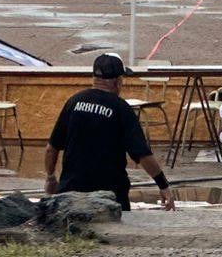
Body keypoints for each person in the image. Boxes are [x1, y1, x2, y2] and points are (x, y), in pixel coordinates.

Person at [43, 54, 174, 211]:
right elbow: (142, 155)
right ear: (118, 81)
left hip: (71, 197)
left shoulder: (73, 102)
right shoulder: (121, 109)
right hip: (110, 199)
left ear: (94, 78)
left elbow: (52, 148)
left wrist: (50, 178)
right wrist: (163, 185)